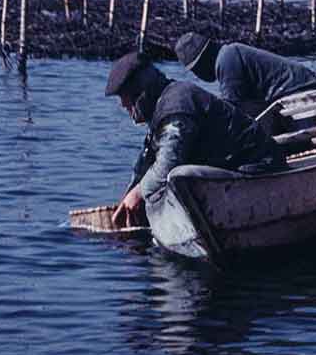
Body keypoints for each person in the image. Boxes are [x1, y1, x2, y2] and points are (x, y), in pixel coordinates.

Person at [106, 51, 286, 229]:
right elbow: (147, 160)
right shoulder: (164, 104)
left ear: (140, 91)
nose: (122, 104)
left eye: (124, 96)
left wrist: (138, 193)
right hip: (236, 166)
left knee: (180, 176)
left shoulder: (176, 108)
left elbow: (167, 166)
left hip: (257, 165)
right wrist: (127, 196)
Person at [174, 32, 316, 122]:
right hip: (297, 89)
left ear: (202, 62)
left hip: (299, 95)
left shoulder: (227, 60)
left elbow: (233, 110)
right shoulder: (230, 53)